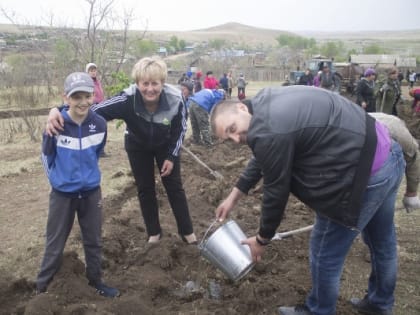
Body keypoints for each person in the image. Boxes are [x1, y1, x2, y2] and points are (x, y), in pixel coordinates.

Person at [210, 86, 405, 315]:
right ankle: (380, 304)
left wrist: (262, 238)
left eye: (233, 129)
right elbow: (263, 157)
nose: (235, 139)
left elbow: (275, 191)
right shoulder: (263, 104)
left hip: (361, 178)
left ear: (241, 107)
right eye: (228, 137)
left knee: (324, 253)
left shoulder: (269, 130)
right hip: (387, 155)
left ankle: (319, 310)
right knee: (382, 242)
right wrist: (233, 197)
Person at [46, 57, 197, 245]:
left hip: (165, 145)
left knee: (174, 187)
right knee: (145, 188)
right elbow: (92, 109)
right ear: (137, 83)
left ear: (163, 83)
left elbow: (180, 129)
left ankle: (187, 232)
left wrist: (172, 156)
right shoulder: (127, 99)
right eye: (145, 83)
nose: (150, 89)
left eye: (155, 84)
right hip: (137, 146)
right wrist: (57, 110)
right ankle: (154, 233)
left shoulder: (176, 99)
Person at [37, 72, 120, 297]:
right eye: (76, 97)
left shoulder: (100, 124)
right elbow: (46, 155)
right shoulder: (56, 125)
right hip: (62, 194)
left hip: (92, 193)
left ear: (93, 96)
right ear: (66, 98)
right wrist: (57, 181)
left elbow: (96, 153)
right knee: (55, 243)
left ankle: (96, 282)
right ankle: (42, 288)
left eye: (87, 96)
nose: (82, 102)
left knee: (93, 240)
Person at [370, 112, 420, 212]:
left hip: (381, 172)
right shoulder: (396, 126)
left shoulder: (398, 131)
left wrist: (411, 193)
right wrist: (411, 193)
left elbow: (413, 156)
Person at [86, 62, 108, 157]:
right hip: (92, 108)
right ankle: (94, 150)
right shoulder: (87, 82)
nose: (93, 72)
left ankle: (101, 150)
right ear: (87, 72)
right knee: (92, 129)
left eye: (94, 70)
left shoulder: (98, 82)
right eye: (91, 70)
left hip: (101, 107)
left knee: (103, 128)